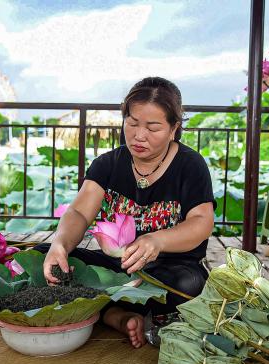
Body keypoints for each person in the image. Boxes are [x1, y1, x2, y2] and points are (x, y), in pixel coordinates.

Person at [37, 77, 215, 348]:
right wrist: (60, 244)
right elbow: (79, 213)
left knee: (187, 285)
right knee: (46, 260)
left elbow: (201, 223)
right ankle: (118, 315)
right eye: (132, 123)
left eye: (153, 127)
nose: (138, 135)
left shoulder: (190, 166)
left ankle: (106, 312)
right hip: (117, 269)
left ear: (173, 128)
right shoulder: (108, 164)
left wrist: (158, 240)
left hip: (167, 270)